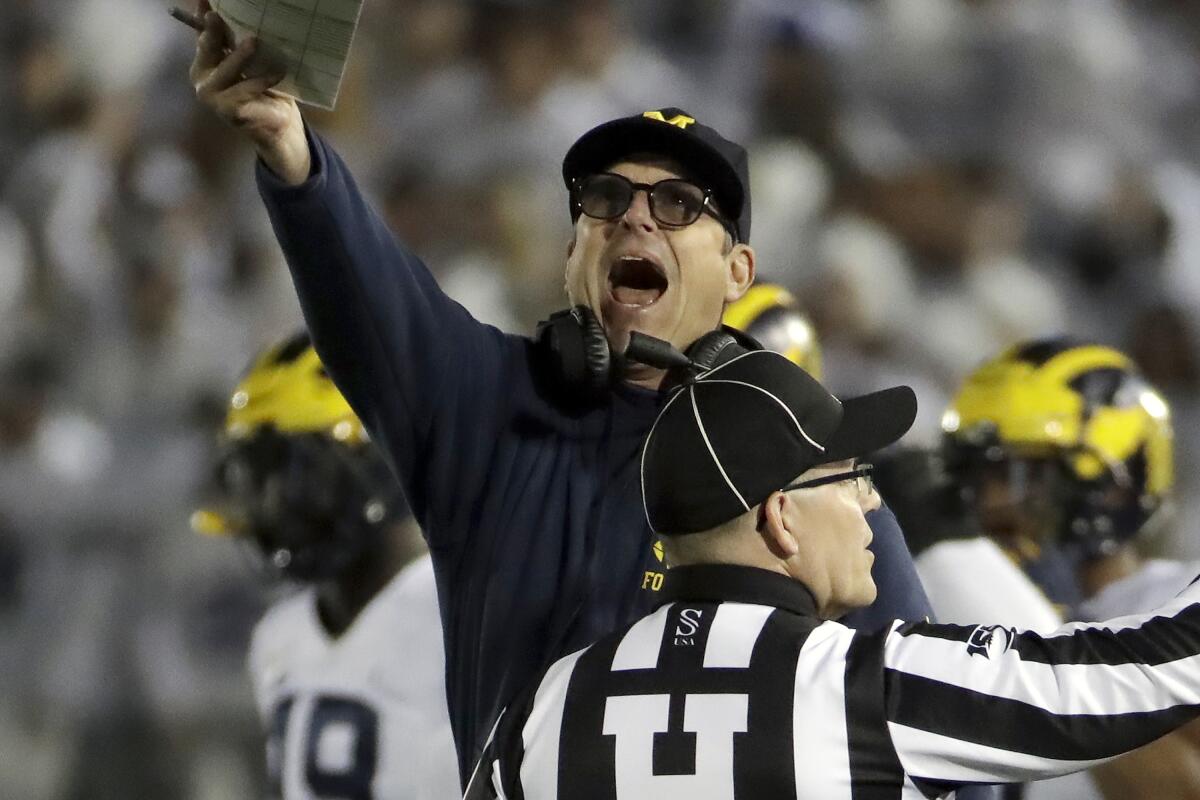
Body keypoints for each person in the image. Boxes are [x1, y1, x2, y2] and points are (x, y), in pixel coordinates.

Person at [187, 6, 934, 781]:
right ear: (572, 252)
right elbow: (364, 288)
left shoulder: (809, 471)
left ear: (738, 272)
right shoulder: (484, 411)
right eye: (606, 199)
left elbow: (925, 720)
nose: (636, 216)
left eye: (678, 205)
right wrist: (288, 145)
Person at [467, 349, 1200, 800]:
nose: (872, 503)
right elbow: (1150, 670)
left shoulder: (542, 706)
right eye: (849, 480)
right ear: (780, 517)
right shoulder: (866, 688)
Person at [194, 332, 460, 800]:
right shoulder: (279, 637)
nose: (270, 504)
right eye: (257, 478)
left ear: (382, 457)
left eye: (295, 471)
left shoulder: (462, 620)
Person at [934, 337, 1200, 800]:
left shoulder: (1177, 600)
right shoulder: (948, 595)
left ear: (1113, 488)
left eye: (1024, 475)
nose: (993, 503)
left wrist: (1037, 643)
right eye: (977, 479)